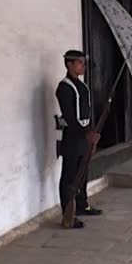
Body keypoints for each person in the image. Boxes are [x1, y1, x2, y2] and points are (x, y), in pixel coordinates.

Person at [55, 50, 103, 229]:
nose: (83, 66)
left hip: (84, 137)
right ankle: (68, 214)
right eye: (79, 63)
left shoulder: (83, 87)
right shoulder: (64, 87)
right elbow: (69, 116)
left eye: (83, 62)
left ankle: (82, 205)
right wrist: (86, 133)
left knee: (83, 173)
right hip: (72, 137)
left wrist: (92, 134)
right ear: (69, 65)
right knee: (69, 177)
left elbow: (86, 114)